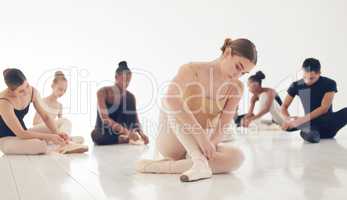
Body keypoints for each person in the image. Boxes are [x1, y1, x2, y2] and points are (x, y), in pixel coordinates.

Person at [136, 38, 257, 182]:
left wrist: (210, 145)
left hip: (201, 143)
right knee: (172, 101)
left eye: (243, 73)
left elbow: (223, 124)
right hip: (173, 140)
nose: (238, 75)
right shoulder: (192, 70)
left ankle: (163, 166)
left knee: (238, 157)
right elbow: (170, 100)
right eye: (238, 67)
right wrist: (201, 137)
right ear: (227, 53)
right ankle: (198, 161)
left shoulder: (236, 87)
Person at [0, 68, 86, 155]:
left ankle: (65, 143)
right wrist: (50, 137)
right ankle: (66, 142)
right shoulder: (3, 102)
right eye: (21, 91)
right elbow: (21, 133)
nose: (26, 92)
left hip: (26, 133)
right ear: (10, 90)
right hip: (7, 140)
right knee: (39, 145)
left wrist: (57, 133)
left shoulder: (32, 91)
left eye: (27, 85)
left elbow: (45, 117)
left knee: (65, 121)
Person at [281, 58, 347, 143]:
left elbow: (324, 108)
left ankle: (305, 129)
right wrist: (288, 119)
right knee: (296, 128)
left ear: (319, 73)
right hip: (312, 126)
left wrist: (301, 120)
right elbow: (284, 107)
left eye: (311, 78)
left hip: (330, 123)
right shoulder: (296, 85)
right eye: (304, 77)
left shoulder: (330, 83)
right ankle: (308, 133)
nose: (307, 81)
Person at [91, 61, 149, 145]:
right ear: (116, 77)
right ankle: (121, 138)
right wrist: (127, 133)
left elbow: (135, 120)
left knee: (129, 102)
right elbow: (105, 118)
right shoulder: (103, 92)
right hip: (104, 133)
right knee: (96, 135)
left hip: (122, 132)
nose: (127, 83)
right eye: (124, 80)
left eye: (129, 81)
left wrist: (142, 134)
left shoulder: (130, 97)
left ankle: (122, 138)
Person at [32, 71, 86, 145]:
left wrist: (56, 132)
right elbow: (35, 123)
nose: (62, 93)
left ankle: (63, 140)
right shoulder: (42, 101)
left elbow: (62, 125)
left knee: (81, 139)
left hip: (53, 133)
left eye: (64, 90)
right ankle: (65, 142)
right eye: (60, 89)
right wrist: (52, 130)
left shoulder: (60, 105)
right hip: (40, 131)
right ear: (53, 86)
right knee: (66, 121)